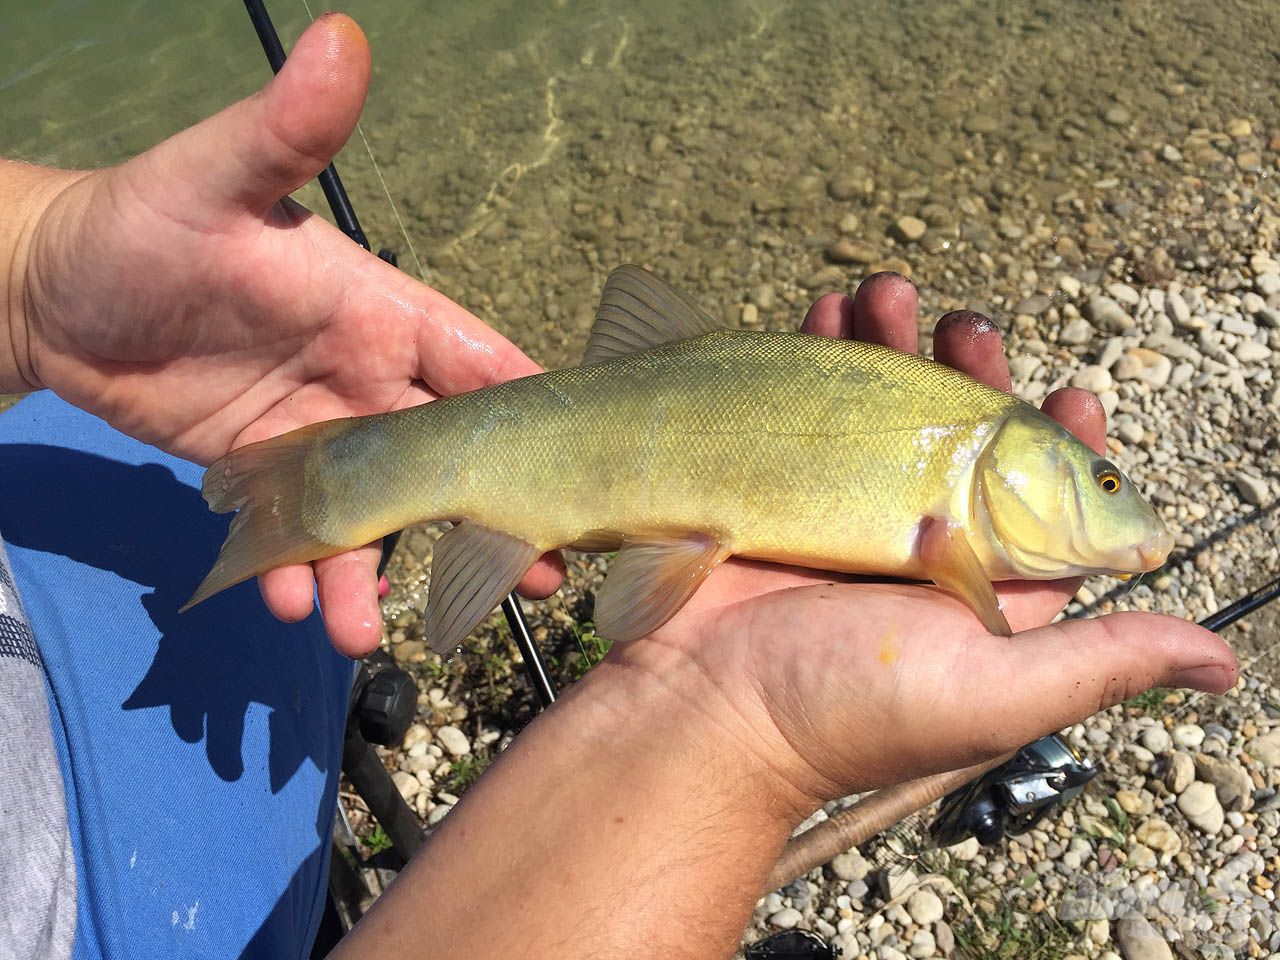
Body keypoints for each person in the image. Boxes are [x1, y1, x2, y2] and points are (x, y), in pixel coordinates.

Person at [0, 13, 1237, 960]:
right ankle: (330, 494)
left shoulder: (964, 467)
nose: (1113, 505)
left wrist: (34, 279)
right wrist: (735, 739)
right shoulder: (961, 499)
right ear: (1017, 457)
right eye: (1100, 480)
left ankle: (330, 493)